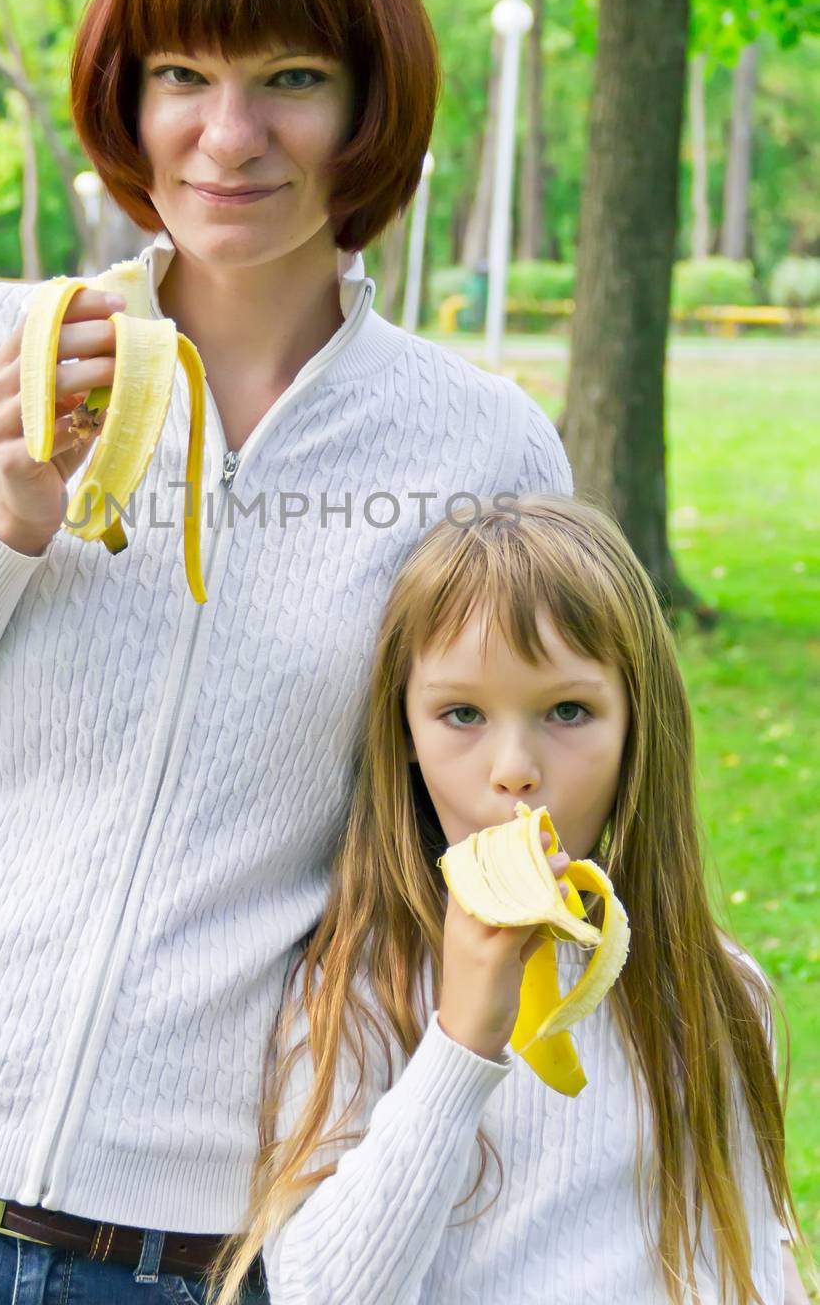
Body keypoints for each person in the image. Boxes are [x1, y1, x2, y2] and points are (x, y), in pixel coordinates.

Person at [0, 0, 572, 1303]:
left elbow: (505, 846)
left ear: (369, 101)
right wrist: (4, 517)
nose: (226, 136)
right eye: (180, 75)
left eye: (292, 78)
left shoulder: (479, 451)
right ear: (124, 94)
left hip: (191, 1248)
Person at [202, 495, 811, 1305]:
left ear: (638, 725)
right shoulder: (357, 992)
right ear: (406, 739)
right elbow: (318, 1293)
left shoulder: (718, 994)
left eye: (567, 711)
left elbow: (748, 1271)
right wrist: (462, 1041)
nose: (513, 768)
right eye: (461, 714)